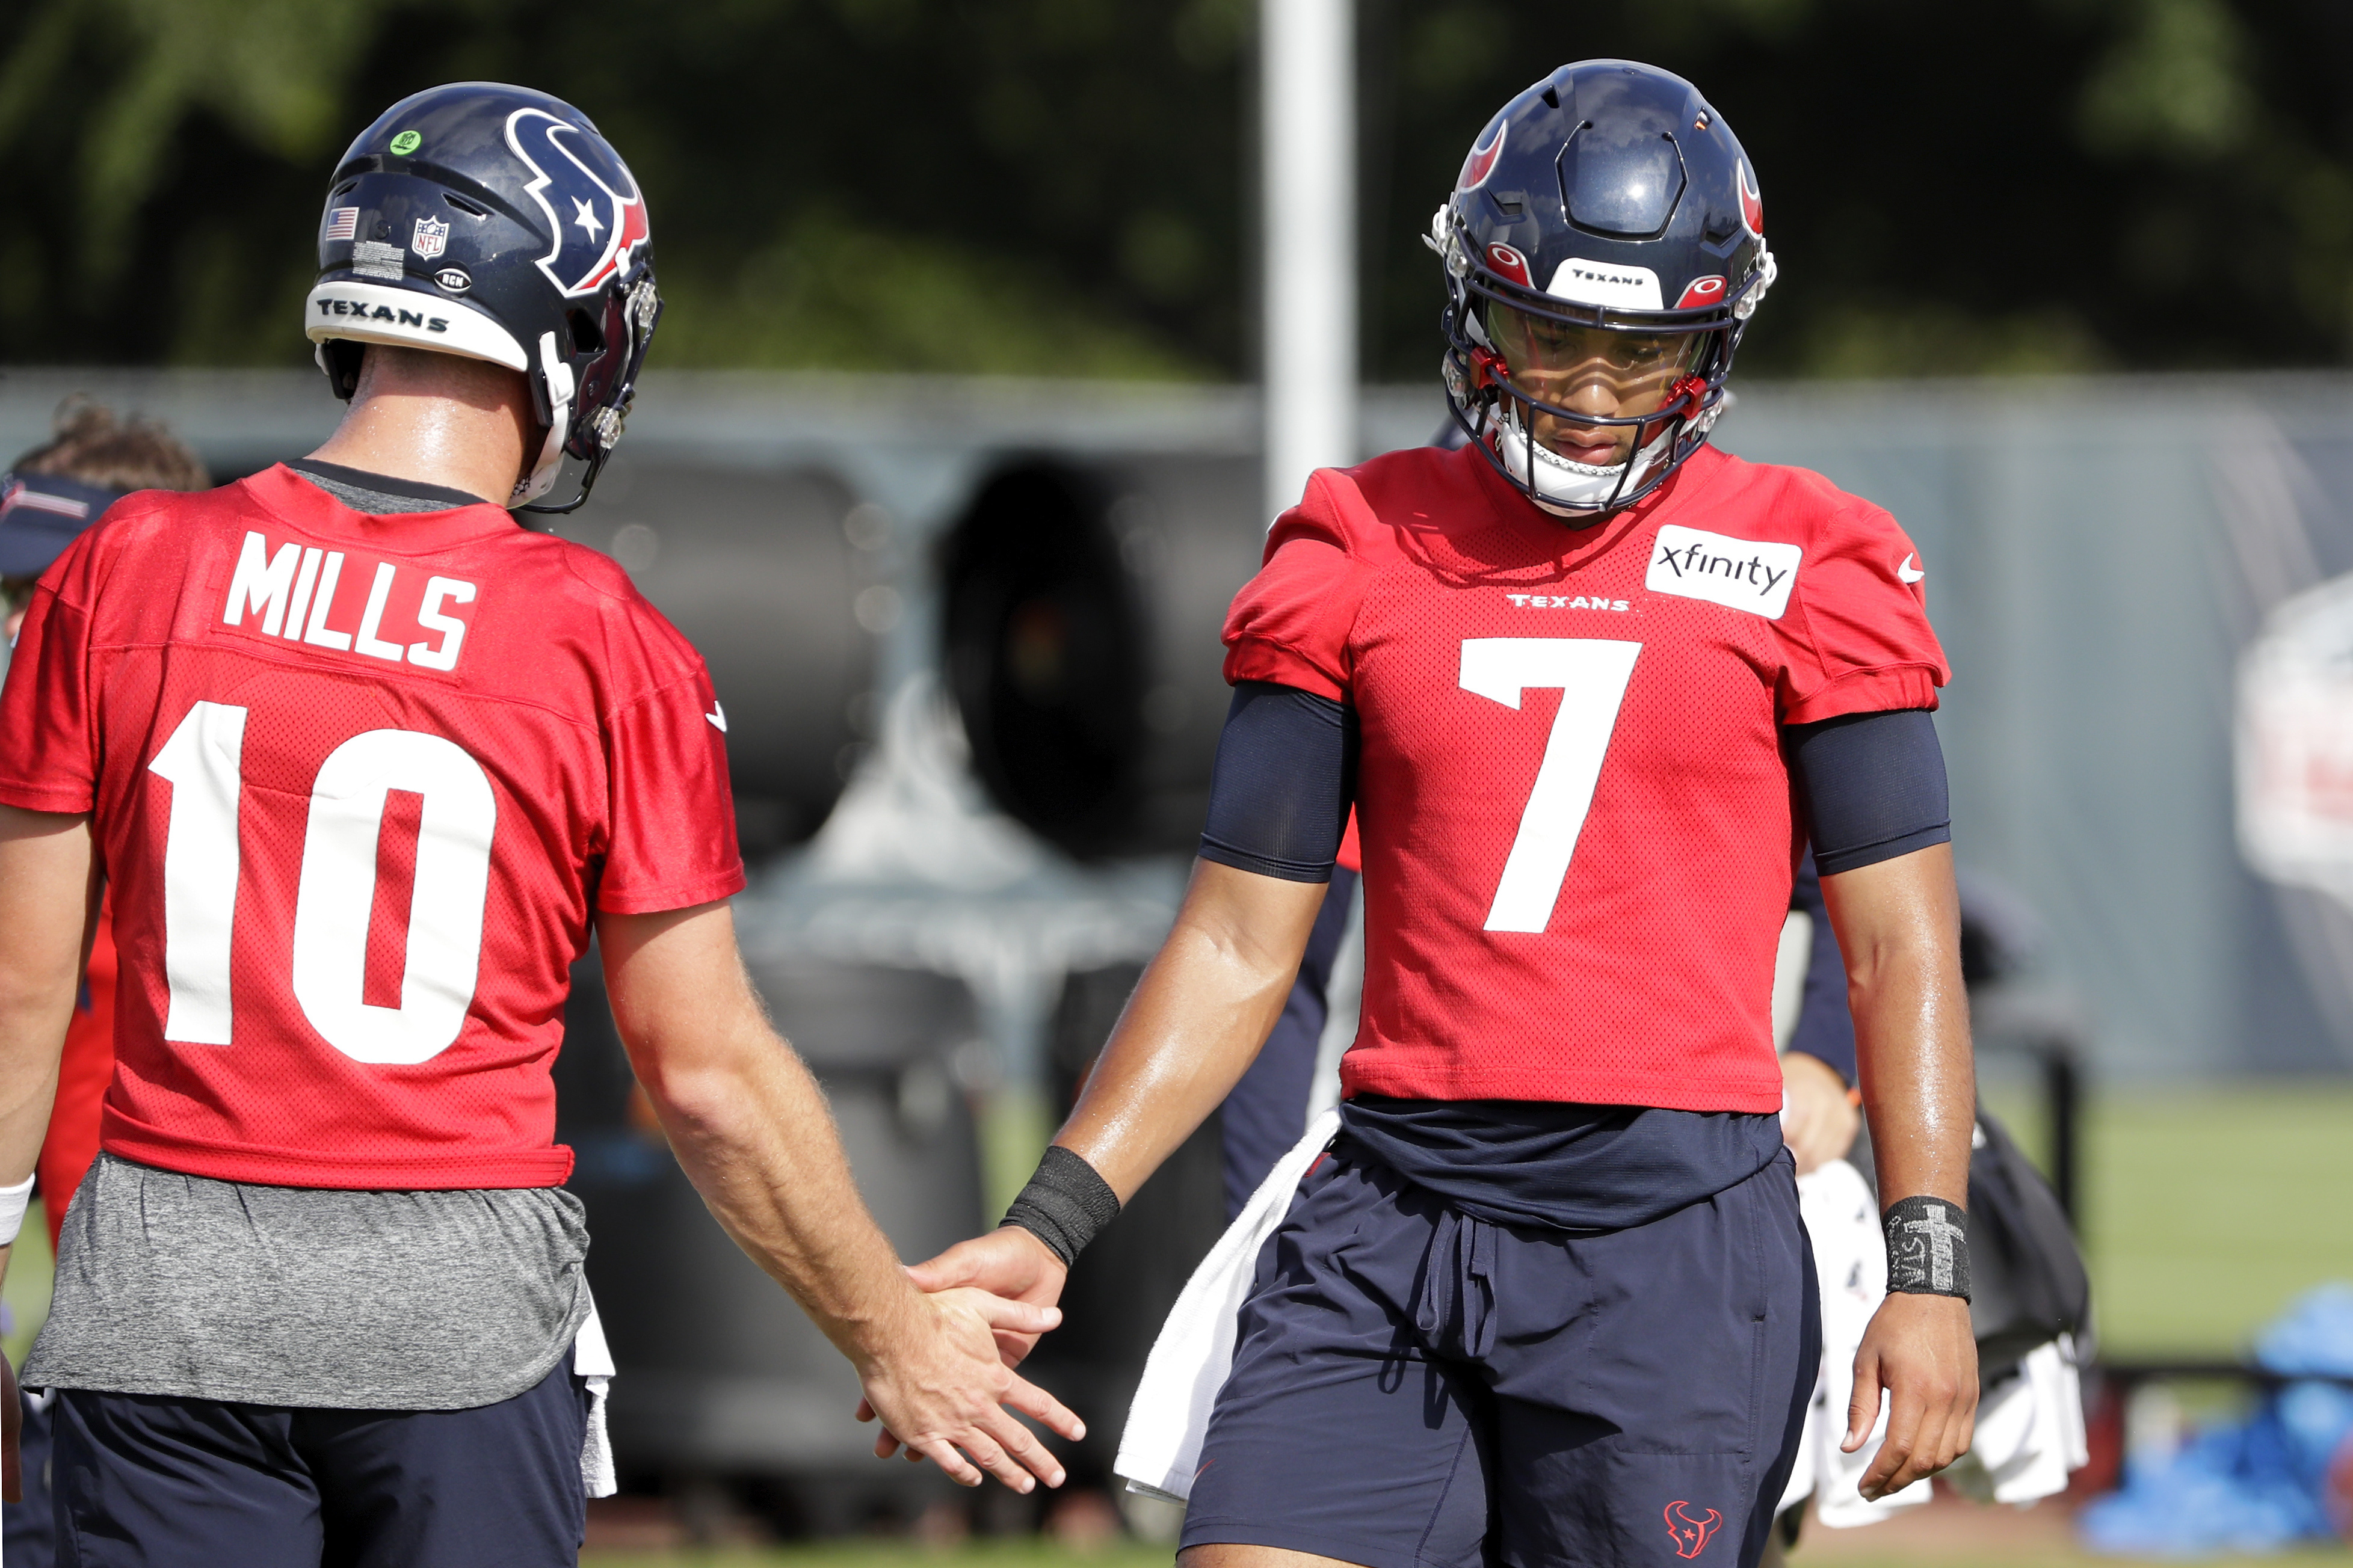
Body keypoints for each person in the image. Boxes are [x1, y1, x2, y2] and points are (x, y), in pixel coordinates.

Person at [902, 60, 1979, 1568]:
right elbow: (1232, 942)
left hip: (1665, 1243)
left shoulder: (1819, 557)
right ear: (1479, 305)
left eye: (1638, 354)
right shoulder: (1355, 541)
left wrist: (1929, 1264)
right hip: (1390, 1212)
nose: (1594, 400)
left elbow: (1899, 953)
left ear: (1712, 342)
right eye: (1554, 337)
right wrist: (1051, 1219)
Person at [0, 82, 1073, 1567]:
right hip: (455, 1324)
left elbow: (19, 988)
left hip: (162, 1309)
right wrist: (892, 1331)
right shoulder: (597, 642)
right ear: (570, 323)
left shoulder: (127, 567)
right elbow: (699, 1073)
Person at [0, 400, 213, 1567]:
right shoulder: (28, 833)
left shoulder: (228, 829)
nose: (35, 629)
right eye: (17, 603)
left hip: (214, 1366)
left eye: (65, 600)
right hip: (87, 1356)